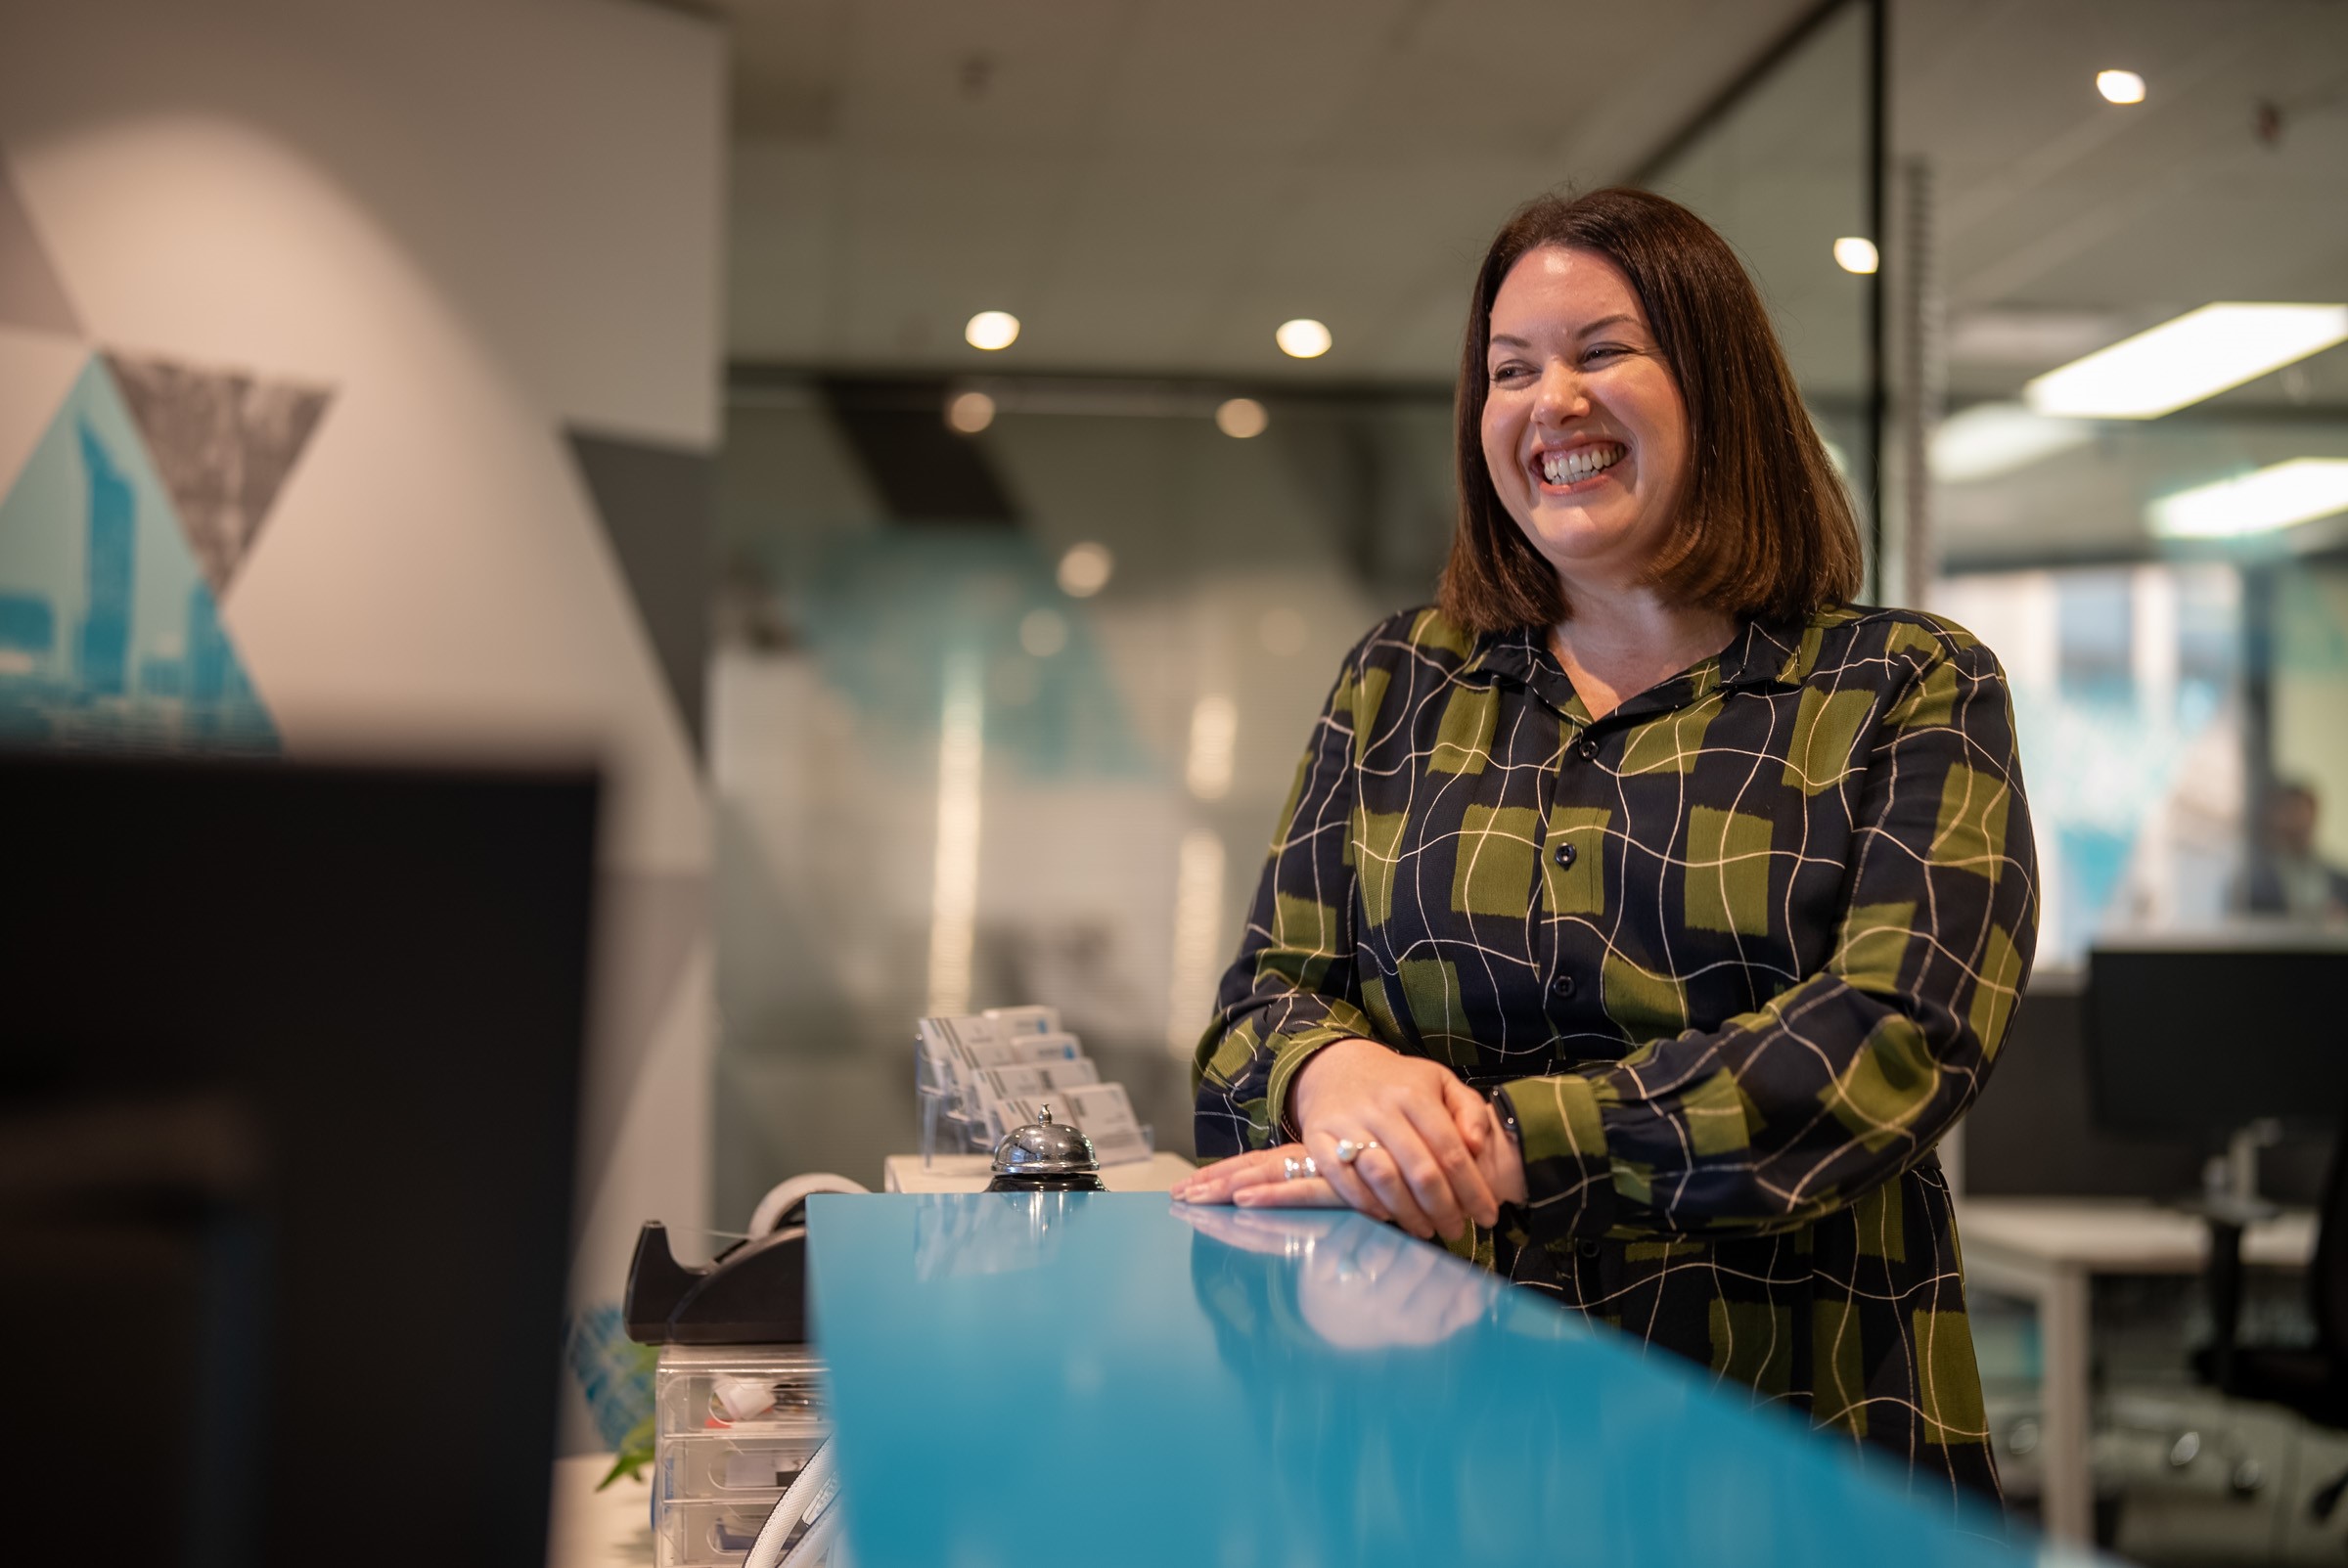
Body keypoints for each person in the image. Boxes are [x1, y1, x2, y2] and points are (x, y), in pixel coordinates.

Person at [1172, 187, 2038, 1504]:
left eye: (1602, 351)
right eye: (1511, 369)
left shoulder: (1907, 683)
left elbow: (1895, 1040)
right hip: (1434, 1438)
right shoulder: (1403, 677)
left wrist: (1504, 1146)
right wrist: (1331, 1071)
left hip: (1792, 1428)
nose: (1552, 402)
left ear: (1718, 386)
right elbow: (1255, 1008)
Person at [2243, 780, 2348, 922]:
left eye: (2302, 812)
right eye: (2290, 812)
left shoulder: (2340, 879)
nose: (2297, 820)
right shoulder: (2256, 881)